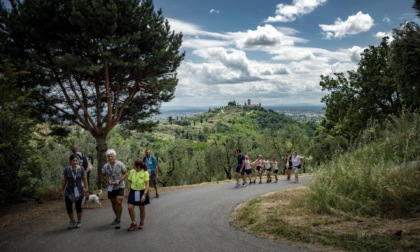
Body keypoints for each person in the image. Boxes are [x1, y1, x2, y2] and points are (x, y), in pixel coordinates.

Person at [102, 149, 128, 229]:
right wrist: (108, 180)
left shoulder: (120, 164)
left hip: (120, 186)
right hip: (111, 187)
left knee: (119, 201)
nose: (110, 158)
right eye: (109, 156)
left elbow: (126, 174)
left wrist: (119, 180)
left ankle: (119, 220)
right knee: (113, 202)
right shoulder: (106, 166)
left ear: (115, 156)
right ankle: (117, 217)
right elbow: (103, 176)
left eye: (112, 156)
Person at [61, 154, 89, 229]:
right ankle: (72, 221)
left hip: (79, 191)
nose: (75, 162)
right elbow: (64, 180)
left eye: (76, 160)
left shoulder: (81, 169)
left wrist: (86, 189)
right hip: (69, 191)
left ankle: (79, 221)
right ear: (70, 161)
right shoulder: (67, 169)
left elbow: (85, 179)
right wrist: (62, 190)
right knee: (68, 207)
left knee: (78, 207)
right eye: (73, 160)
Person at [125, 159, 150, 231]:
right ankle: (134, 223)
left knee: (141, 208)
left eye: (134, 165)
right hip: (133, 192)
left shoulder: (145, 173)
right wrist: (127, 191)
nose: (133, 166)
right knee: (130, 207)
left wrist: (144, 195)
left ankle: (142, 222)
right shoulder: (132, 172)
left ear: (138, 166)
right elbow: (129, 182)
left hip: (142, 192)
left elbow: (147, 185)